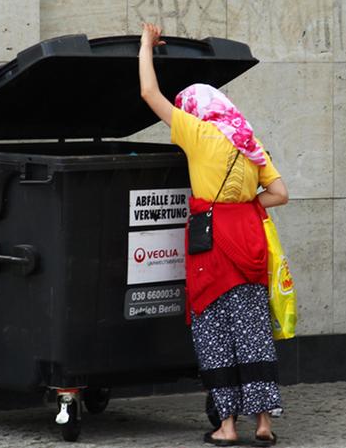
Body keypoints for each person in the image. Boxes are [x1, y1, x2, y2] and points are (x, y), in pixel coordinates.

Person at [137, 22, 289, 447]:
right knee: (253, 331)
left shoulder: (199, 132)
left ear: (195, 110)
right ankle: (264, 422)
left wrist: (145, 46)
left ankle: (227, 426)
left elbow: (149, 93)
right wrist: (248, 206)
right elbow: (280, 194)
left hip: (213, 241)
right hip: (249, 236)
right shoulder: (249, 142)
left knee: (215, 333)